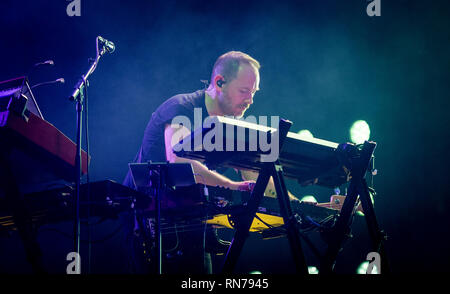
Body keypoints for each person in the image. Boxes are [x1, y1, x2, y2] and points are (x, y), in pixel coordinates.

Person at [123, 51, 298, 274]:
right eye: (244, 91)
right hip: (151, 221)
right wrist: (233, 187)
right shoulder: (181, 107)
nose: (250, 100)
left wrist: (298, 205)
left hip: (193, 223)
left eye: (254, 93)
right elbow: (180, 161)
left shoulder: (233, 125)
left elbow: (257, 174)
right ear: (219, 82)